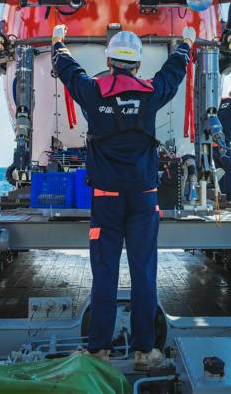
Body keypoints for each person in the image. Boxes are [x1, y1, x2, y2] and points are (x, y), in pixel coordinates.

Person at [52, 24, 193, 371]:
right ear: (137, 65)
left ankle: (99, 350)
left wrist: (58, 41)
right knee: (144, 272)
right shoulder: (152, 92)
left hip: (106, 200)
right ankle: (146, 351)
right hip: (144, 199)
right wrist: (185, 43)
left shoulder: (92, 92)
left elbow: (67, 70)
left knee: (104, 272)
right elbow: (173, 72)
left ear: (109, 60)